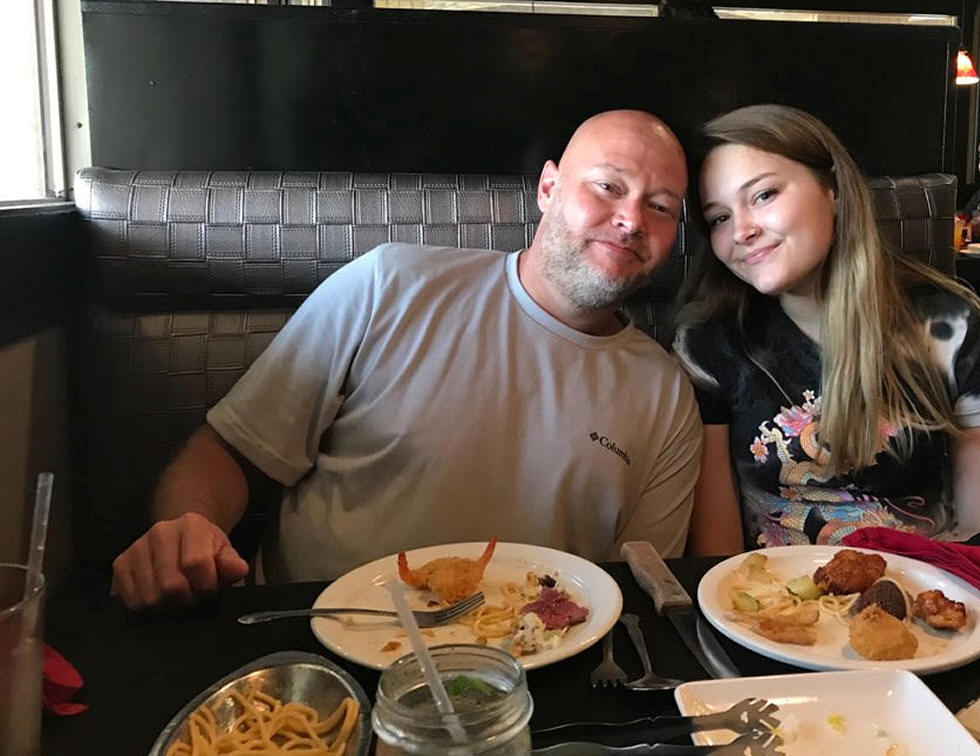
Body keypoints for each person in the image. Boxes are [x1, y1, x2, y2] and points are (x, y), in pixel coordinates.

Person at [112, 110, 703, 609]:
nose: (631, 220)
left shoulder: (666, 394)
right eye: (608, 187)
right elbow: (228, 454)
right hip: (317, 646)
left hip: (532, 670)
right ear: (548, 188)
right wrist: (186, 532)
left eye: (660, 206)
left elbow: (642, 584)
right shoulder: (390, 283)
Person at [672, 104, 980, 555]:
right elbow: (717, 556)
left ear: (834, 189)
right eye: (719, 218)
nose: (741, 230)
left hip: (931, 585)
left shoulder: (951, 327)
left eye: (763, 195)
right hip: (768, 593)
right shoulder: (709, 342)